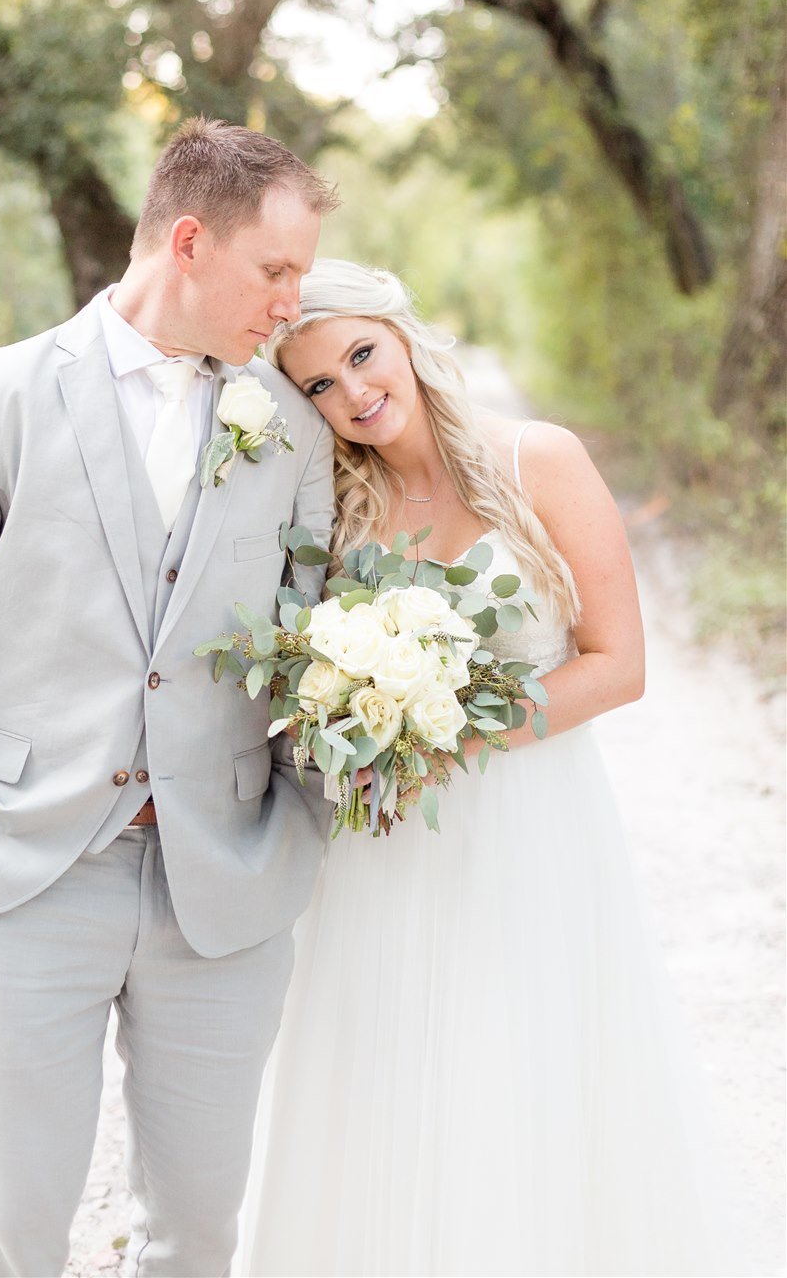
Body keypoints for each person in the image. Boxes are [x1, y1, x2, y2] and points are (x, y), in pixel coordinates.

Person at [0, 118, 339, 1278]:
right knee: (10, 1221)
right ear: (188, 241)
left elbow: (314, 646)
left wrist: (297, 829)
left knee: (196, 1232)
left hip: (217, 891)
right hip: (20, 875)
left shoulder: (286, 430)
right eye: (273, 271)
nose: (290, 303)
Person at [237, 258, 733, 1277]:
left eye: (360, 355)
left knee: (520, 1065)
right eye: (318, 385)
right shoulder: (336, 509)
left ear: (404, 335)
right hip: (384, 845)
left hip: (531, 824)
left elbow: (619, 665)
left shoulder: (536, 460)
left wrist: (450, 735)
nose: (352, 393)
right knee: (384, 1075)